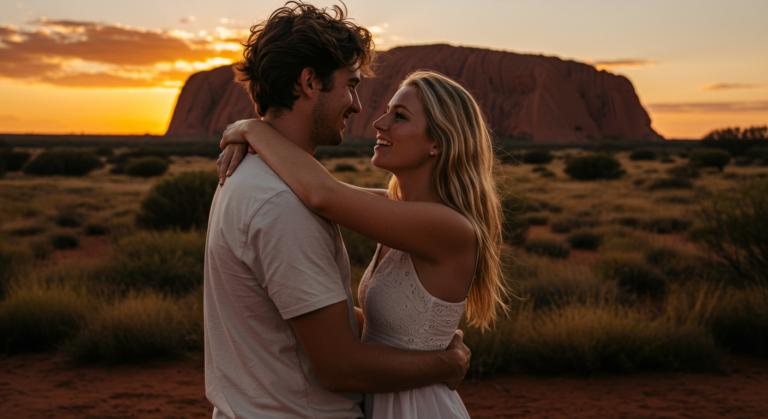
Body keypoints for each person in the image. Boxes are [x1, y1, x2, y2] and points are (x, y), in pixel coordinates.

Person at [205, 3, 471, 419]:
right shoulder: (282, 201)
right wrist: (447, 362)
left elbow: (325, 194)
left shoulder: (254, 179)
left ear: (439, 141)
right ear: (310, 82)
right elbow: (340, 363)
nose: (364, 110)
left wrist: (251, 128)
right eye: (351, 85)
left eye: (398, 116)